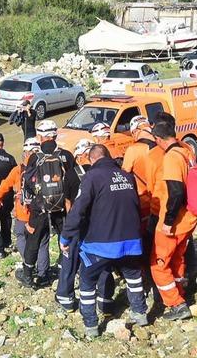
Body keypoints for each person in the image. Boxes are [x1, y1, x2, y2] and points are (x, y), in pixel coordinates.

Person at [60, 144, 148, 338]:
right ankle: (140, 313)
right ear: (108, 156)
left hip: (100, 243)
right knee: (133, 276)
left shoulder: (92, 177)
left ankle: (91, 325)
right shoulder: (126, 176)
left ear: (92, 160)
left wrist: (66, 235)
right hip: (130, 240)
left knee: (87, 280)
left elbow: (78, 209)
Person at [54, 137, 116, 314]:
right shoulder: (105, 172)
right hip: (100, 224)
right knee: (103, 263)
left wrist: (70, 224)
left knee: (69, 260)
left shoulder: (72, 174)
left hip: (78, 224)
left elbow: (68, 203)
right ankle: (105, 300)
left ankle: (66, 298)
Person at [18, 120, 79, 289]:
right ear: (55, 135)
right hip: (62, 207)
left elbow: (28, 183)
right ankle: (65, 270)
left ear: (40, 136)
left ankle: (28, 275)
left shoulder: (34, 157)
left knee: (34, 240)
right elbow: (74, 180)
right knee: (65, 238)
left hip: (40, 208)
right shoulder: (66, 155)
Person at [148, 121, 196, 320]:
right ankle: (179, 292)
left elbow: (175, 192)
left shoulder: (171, 158)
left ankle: (176, 304)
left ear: (158, 139)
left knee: (158, 265)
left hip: (174, 222)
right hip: (188, 218)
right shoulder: (187, 152)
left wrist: (167, 221)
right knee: (177, 259)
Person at [0, 139, 50, 276]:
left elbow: (5, 185)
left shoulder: (18, 170)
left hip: (24, 213)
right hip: (42, 213)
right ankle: (43, 273)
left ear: (25, 153)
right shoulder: (47, 167)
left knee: (21, 237)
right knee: (42, 243)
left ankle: (28, 267)